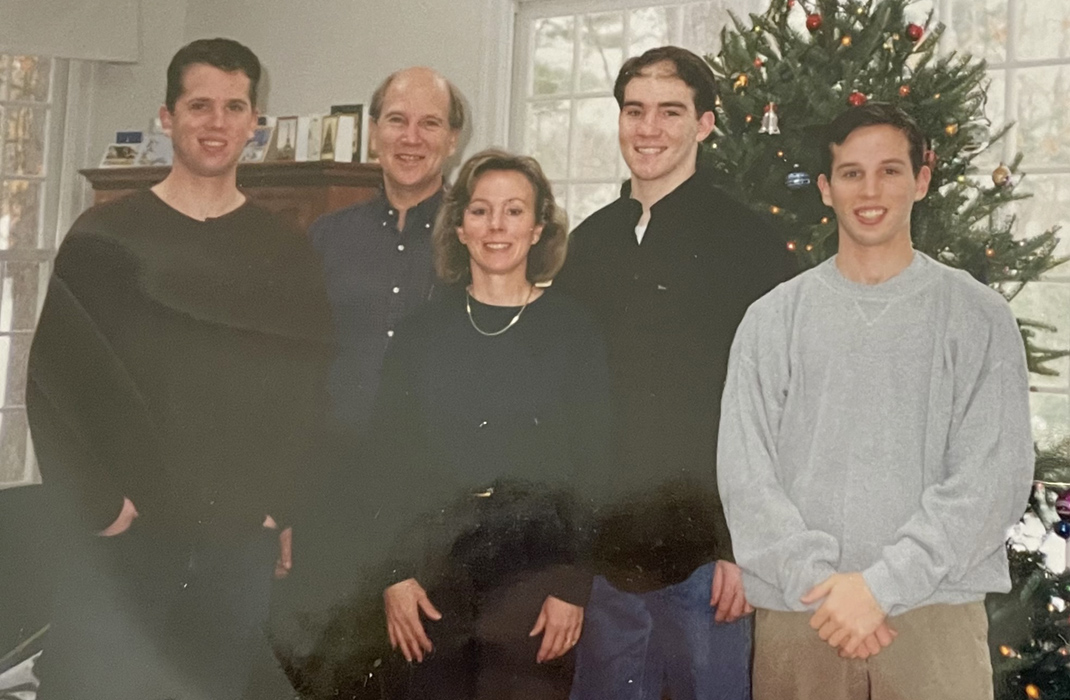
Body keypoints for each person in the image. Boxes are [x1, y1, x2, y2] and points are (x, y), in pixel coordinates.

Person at [26, 38, 331, 700]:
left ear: (256, 122)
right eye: (199, 105)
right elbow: (52, 388)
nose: (216, 122)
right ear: (167, 117)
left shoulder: (284, 251)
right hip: (123, 542)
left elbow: (307, 393)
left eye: (233, 106)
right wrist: (103, 507)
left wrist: (277, 507)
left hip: (233, 545)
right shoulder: (104, 238)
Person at [717, 103, 1034, 700]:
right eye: (851, 173)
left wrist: (880, 587)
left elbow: (993, 477)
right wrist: (825, 589)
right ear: (825, 189)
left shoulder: (977, 316)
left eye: (890, 171)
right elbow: (745, 476)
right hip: (802, 616)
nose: (870, 190)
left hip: (932, 615)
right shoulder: (772, 320)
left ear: (921, 180)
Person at [553, 46, 793, 699]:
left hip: (705, 560)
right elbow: (568, 401)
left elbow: (777, 403)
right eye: (635, 111)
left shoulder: (749, 242)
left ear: (705, 124)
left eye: (669, 111)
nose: (648, 128)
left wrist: (739, 548)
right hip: (605, 559)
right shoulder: (590, 243)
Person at [365, 149, 611, 700]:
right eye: (480, 211)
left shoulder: (574, 332)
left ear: (538, 227)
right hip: (432, 572)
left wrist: (572, 585)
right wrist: (395, 576)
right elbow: (384, 461)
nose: (496, 227)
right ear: (458, 226)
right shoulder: (419, 335)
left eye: (514, 211)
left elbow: (596, 468)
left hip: (535, 571)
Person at [277, 66, 465, 695]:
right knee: (323, 673)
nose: (411, 137)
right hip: (331, 495)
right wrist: (285, 506)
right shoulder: (326, 238)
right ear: (372, 132)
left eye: (429, 123)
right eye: (396, 120)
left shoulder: (479, 240)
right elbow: (295, 375)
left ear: (454, 138)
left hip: (433, 507)